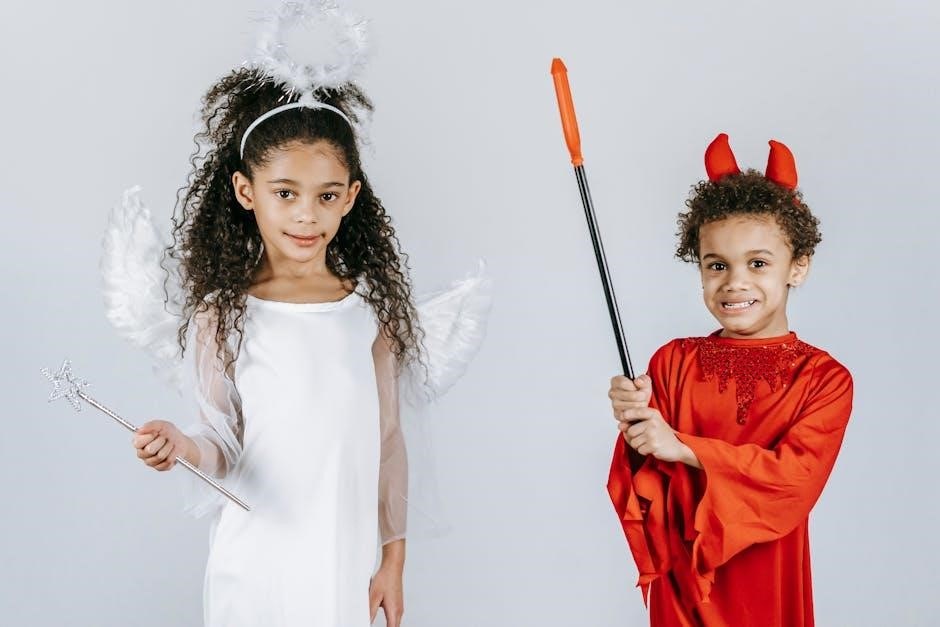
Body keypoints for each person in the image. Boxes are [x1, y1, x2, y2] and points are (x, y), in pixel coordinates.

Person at [127, 40, 417, 627]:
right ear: (246, 192)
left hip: (339, 561)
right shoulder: (224, 313)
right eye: (285, 193)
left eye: (326, 196)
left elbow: (387, 442)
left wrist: (393, 563)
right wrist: (182, 445)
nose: (306, 214)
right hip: (255, 561)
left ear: (350, 198)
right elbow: (222, 443)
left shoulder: (367, 313)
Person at [607, 133, 853, 626]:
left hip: (765, 583)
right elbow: (648, 483)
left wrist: (684, 447)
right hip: (685, 587)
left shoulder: (823, 379)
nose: (734, 282)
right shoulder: (673, 362)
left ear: (798, 266)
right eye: (716, 265)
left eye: (758, 263)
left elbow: (792, 481)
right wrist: (636, 420)